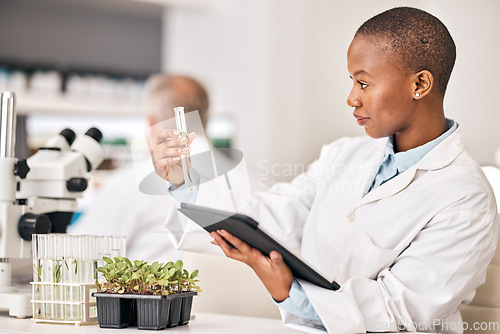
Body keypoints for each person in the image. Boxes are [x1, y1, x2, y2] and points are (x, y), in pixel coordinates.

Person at [149, 7, 498, 333]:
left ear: (419, 85)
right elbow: (269, 215)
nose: (351, 98)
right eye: (352, 81)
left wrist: (291, 292)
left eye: (363, 83)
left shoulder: (466, 196)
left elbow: (404, 309)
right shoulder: (345, 155)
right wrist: (185, 183)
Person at [68, 74, 210, 263]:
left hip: (155, 291)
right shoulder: (248, 179)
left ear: (152, 123)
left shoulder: (131, 183)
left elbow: (75, 256)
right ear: (205, 117)